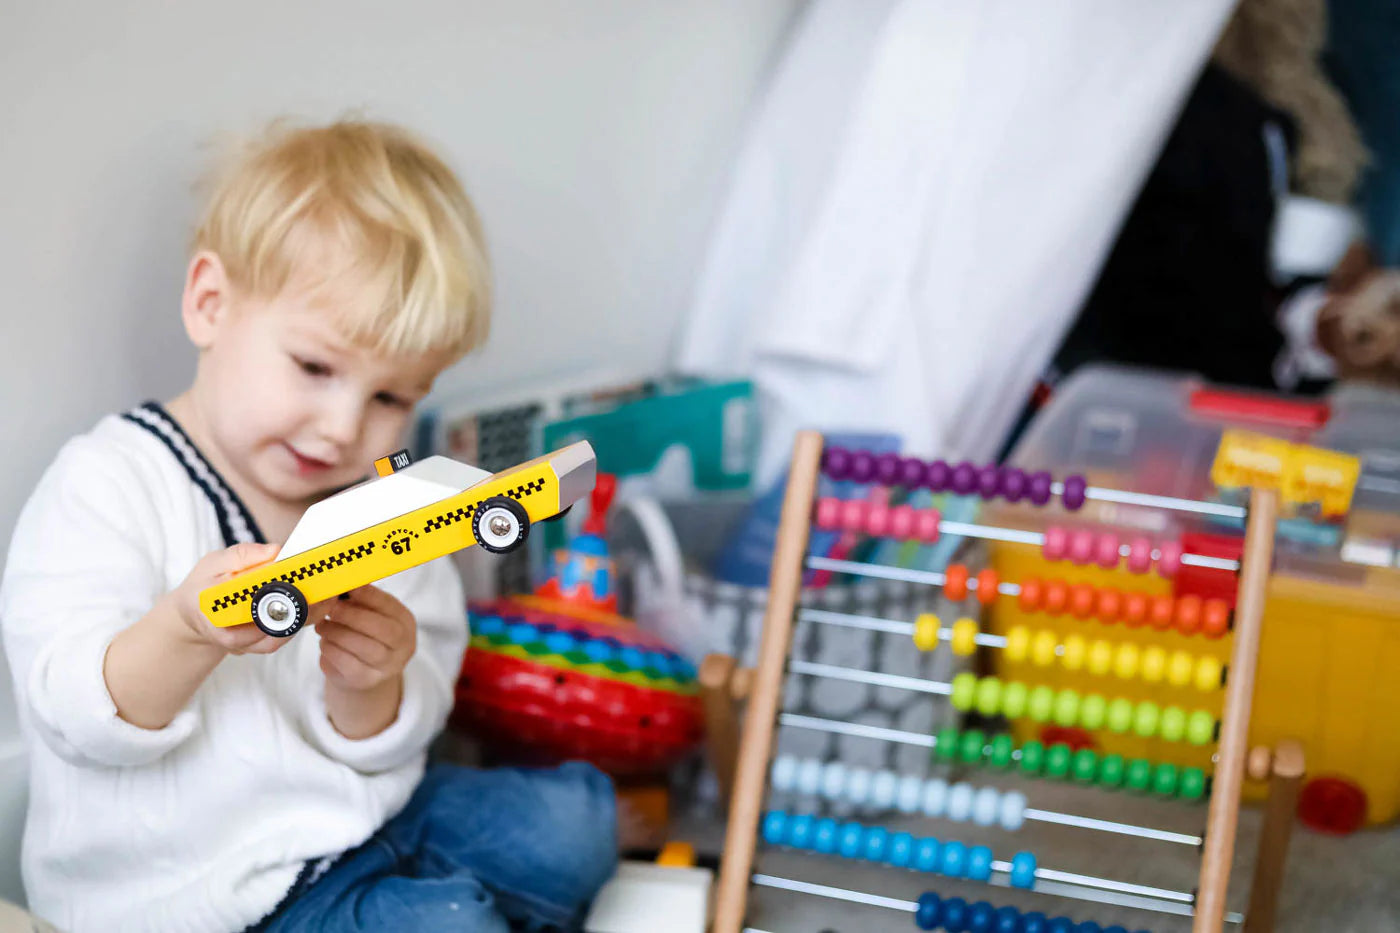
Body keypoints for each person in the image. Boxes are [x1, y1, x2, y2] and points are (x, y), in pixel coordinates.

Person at [0, 119, 617, 932]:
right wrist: (185, 628)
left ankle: (439, 893)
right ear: (210, 304)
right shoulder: (109, 481)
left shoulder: (385, 513)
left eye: (390, 398)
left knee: (576, 820)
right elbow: (76, 714)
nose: (341, 427)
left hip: (371, 820)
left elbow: (404, 726)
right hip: (211, 892)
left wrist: (374, 684)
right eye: (316, 368)